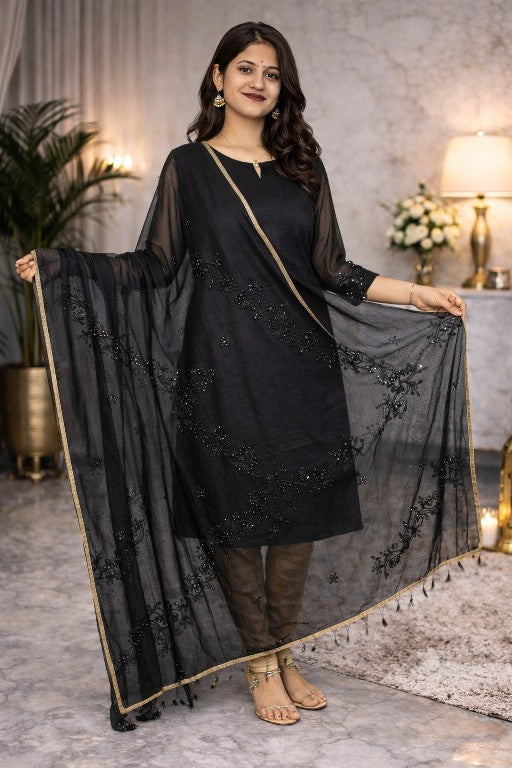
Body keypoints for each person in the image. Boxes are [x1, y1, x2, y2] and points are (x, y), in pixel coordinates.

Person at [15, 21, 478, 730]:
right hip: (221, 373)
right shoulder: (188, 167)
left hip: (303, 368)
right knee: (235, 517)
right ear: (218, 76)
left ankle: (282, 649)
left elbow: (333, 270)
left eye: (272, 73)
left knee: (298, 519)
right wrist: (64, 265)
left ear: (282, 87)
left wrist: (417, 294)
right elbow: (154, 265)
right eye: (246, 69)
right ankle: (260, 664)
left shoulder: (303, 169)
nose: (259, 83)